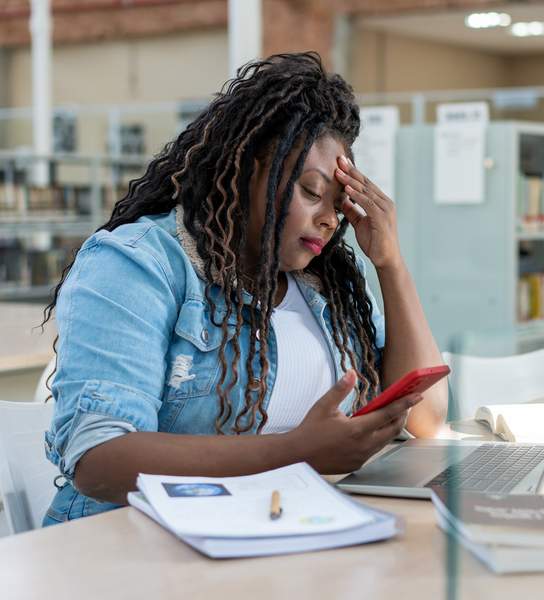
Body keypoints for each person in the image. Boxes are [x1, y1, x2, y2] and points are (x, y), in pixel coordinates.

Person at [41, 52, 447, 526]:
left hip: (285, 531)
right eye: (312, 192)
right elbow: (100, 459)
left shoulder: (323, 283)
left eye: (338, 204)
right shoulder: (139, 262)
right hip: (138, 546)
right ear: (249, 169)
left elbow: (427, 418)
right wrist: (296, 453)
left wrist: (390, 262)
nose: (328, 219)